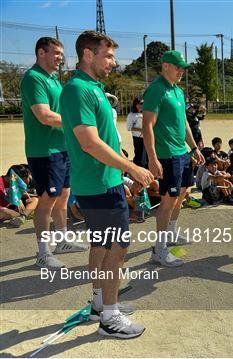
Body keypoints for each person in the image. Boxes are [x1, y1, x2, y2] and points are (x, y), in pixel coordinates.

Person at [61, 30, 154, 339]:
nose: (114, 61)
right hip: (99, 185)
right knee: (117, 248)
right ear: (89, 54)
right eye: (109, 55)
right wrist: (133, 168)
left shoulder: (93, 87)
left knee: (101, 245)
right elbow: (89, 143)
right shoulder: (77, 89)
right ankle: (110, 318)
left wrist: (122, 172)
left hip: (104, 181)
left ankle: (101, 304)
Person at [20, 36, 87, 271]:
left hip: (62, 148)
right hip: (44, 151)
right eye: (56, 53)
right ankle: (42, 252)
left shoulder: (53, 80)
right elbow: (44, 115)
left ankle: (63, 241)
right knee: (47, 201)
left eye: (61, 53)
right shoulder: (33, 78)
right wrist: (76, 123)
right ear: (41, 53)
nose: (61, 57)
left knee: (64, 196)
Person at [142, 50, 204, 267]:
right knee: (168, 201)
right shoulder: (156, 90)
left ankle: (171, 233)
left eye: (183, 68)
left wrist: (194, 147)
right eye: (178, 67)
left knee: (182, 195)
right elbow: (147, 125)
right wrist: (152, 158)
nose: (181, 72)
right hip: (167, 155)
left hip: (182, 153)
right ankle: (159, 250)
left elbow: (184, 122)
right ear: (165, 66)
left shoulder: (177, 91)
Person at [126, 97, 147, 167]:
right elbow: (129, 128)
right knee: (139, 155)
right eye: (138, 103)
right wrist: (141, 130)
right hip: (138, 138)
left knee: (147, 155)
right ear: (135, 104)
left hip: (148, 137)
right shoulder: (131, 115)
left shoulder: (147, 113)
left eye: (142, 103)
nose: (140, 105)